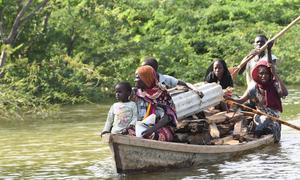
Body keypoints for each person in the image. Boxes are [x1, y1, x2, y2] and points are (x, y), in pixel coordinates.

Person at [226, 56, 288, 142]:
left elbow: (285, 93)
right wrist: (229, 99)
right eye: (261, 73)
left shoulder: (274, 85)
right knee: (259, 122)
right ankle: (256, 133)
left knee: (265, 123)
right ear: (258, 75)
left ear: (270, 74)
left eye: (266, 73)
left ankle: (260, 132)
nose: (264, 76)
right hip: (259, 115)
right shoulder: (253, 88)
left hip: (273, 116)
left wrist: (275, 75)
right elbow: (241, 101)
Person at [134, 65, 177, 141]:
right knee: (126, 132)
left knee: (152, 136)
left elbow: (168, 117)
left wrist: (151, 130)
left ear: (146, 79)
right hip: (141, 125)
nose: (135, 80)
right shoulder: (137, 93)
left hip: (161, 127)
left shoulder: (162, 94)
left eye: (138, 77)